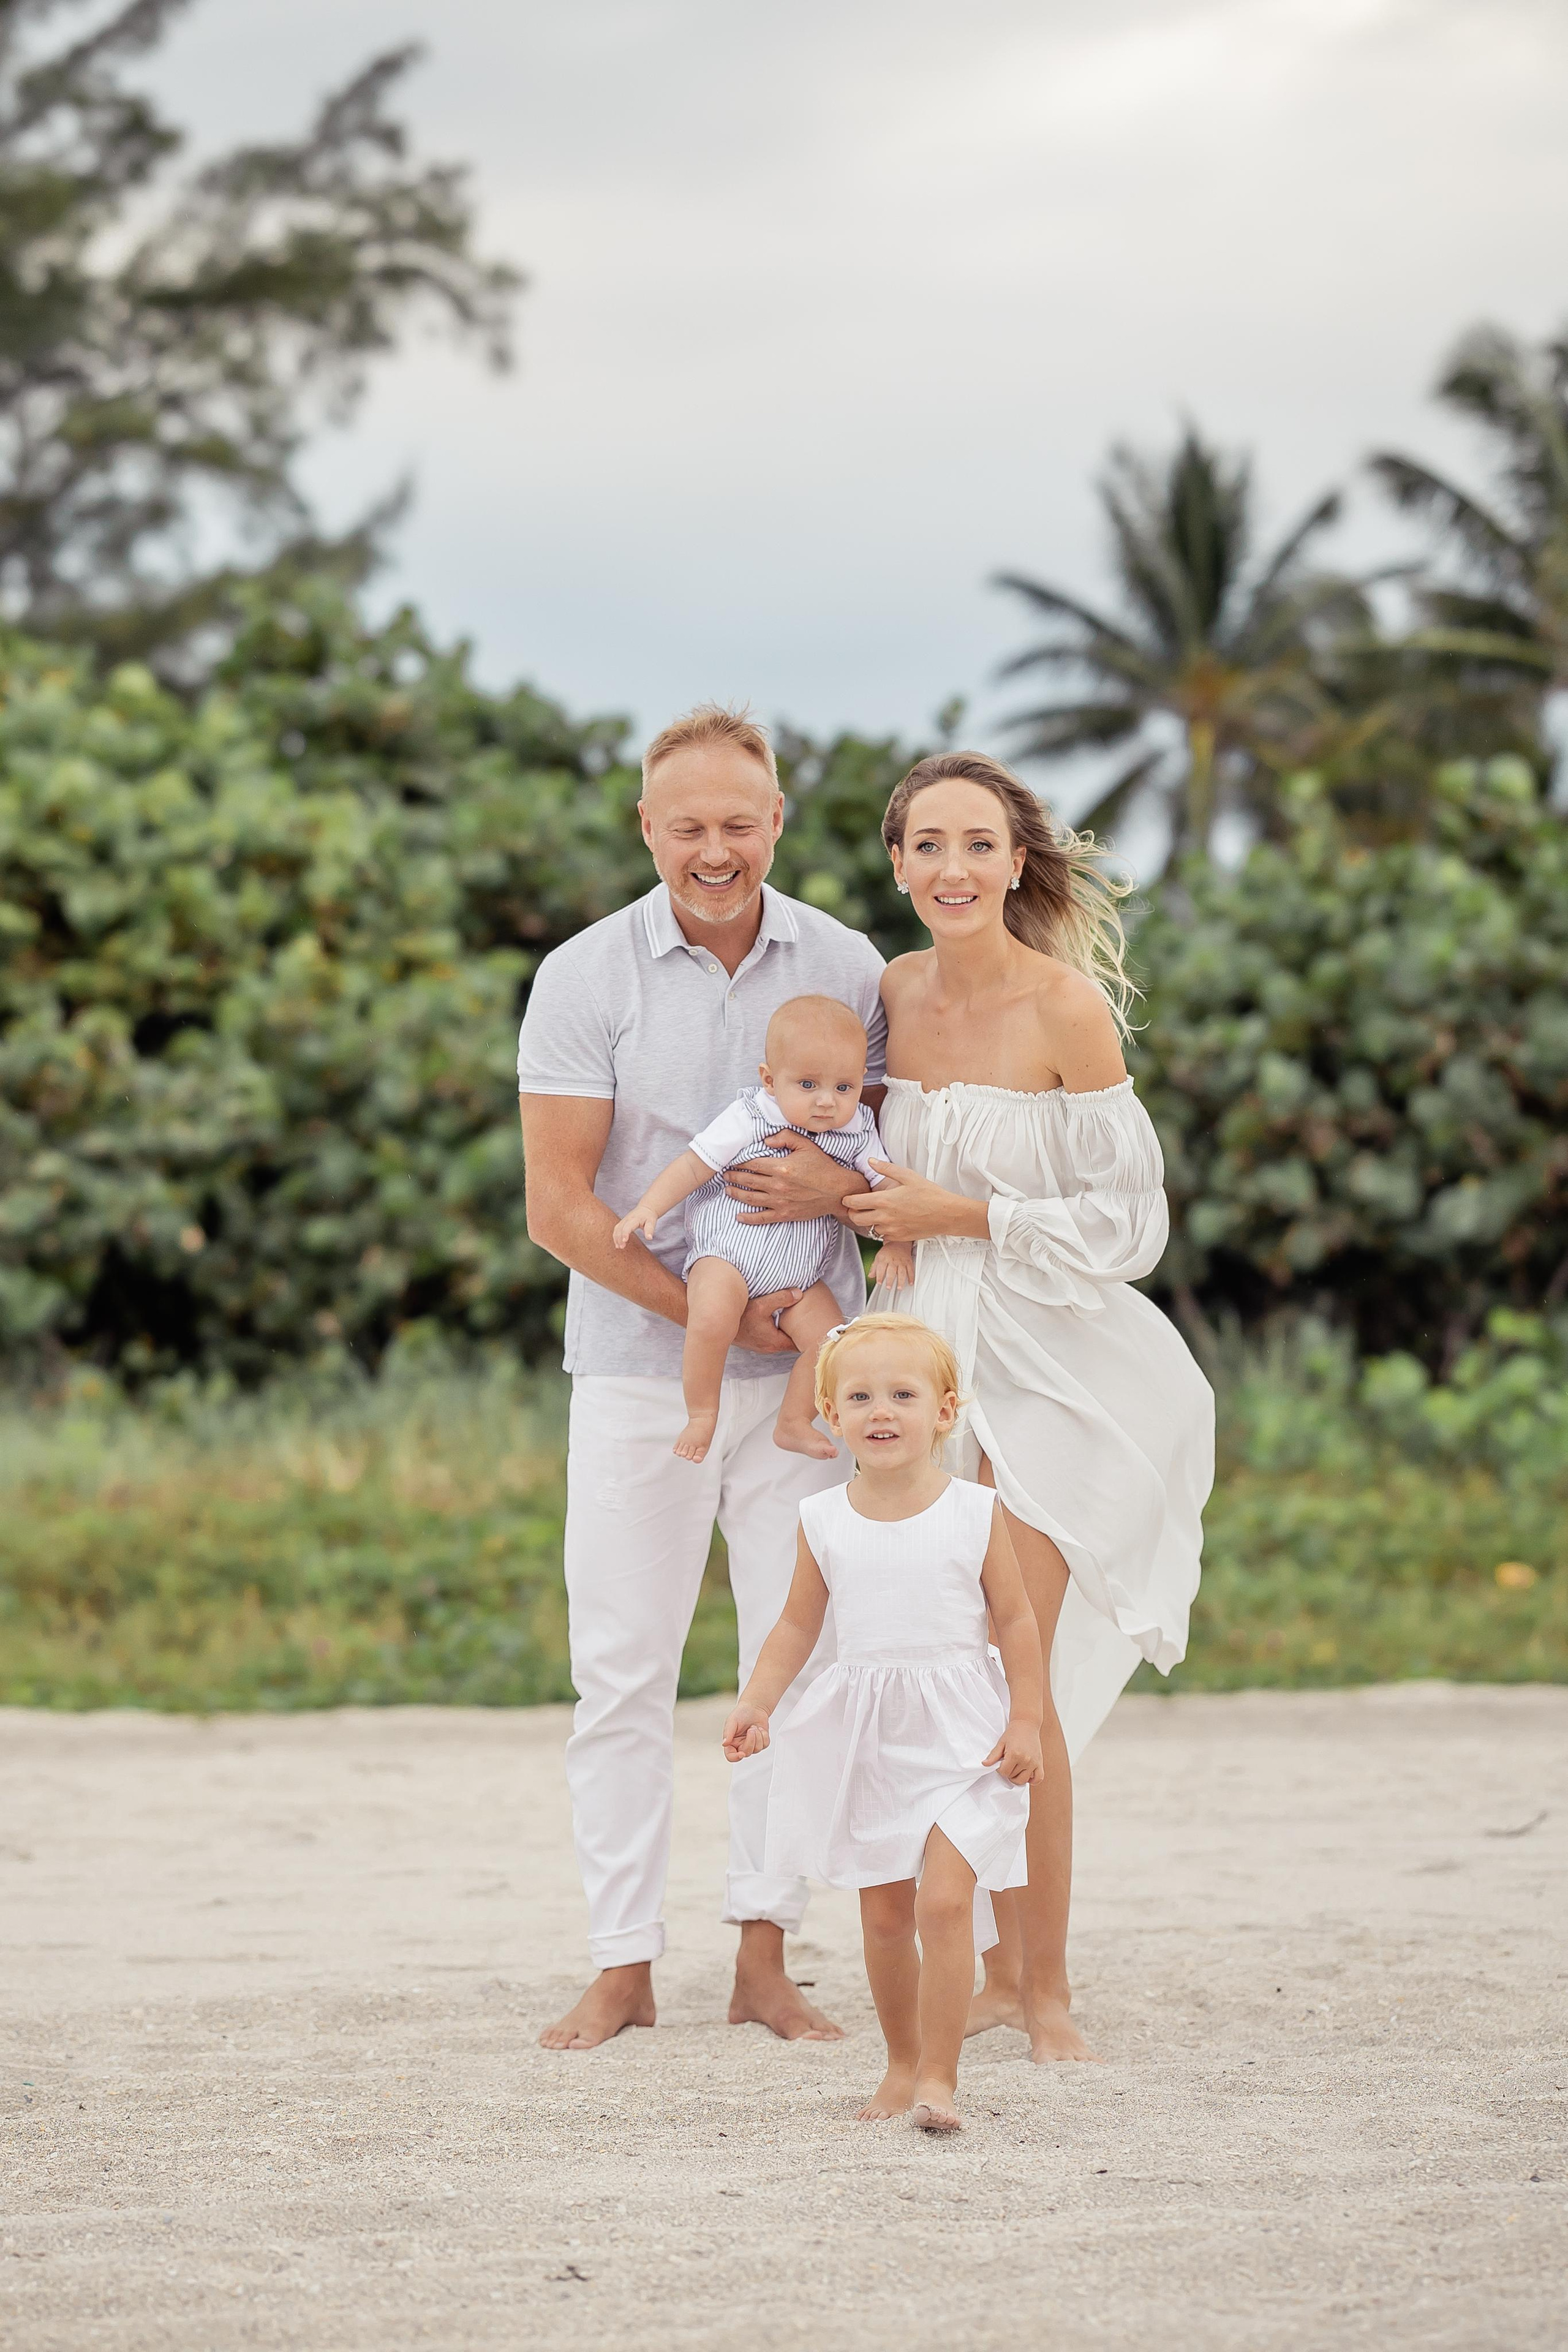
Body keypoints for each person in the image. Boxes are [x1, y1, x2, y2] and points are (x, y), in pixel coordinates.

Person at [828, 748, 1216, 2064]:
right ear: (896, 863)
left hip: (1053, 1369)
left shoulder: (1064, 1010)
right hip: (924, 1359)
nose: (950, 869)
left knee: (1018, 1682)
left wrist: (965, 1214)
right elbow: (855, 1149)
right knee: (949, 1673)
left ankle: (1042, 1991)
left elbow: (1132, 1221)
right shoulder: (884, 995)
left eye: (975, 845)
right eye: (925, 846)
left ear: (1013, 860)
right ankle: (991, 1972)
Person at [518, 703, 887, 2052]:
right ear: (646, 827)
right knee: (619, 1674)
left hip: (807, 1385)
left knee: (790, 1672)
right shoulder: (581, 975)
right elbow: (559, 1208)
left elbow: (886, 1172)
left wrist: (825, 1208)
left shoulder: (851, 968)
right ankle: (620, 1965)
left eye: (740, 822)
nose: (714, 848)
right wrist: (710, 1321)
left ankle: (763, 1958)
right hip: (633, 1375)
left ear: (776, 822)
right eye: (688, 826)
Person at [721, 1314, 1044, 2133]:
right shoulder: (824, 1519)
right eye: (860, 1396)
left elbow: (1016, 1621)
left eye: (903, 1394)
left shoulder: (975, 1510)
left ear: (945, 1410)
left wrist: (1028, 1720)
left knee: (944, 1905)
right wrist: (757, 1701)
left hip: (964, 1737)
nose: (881, 1411)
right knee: (885, 1917)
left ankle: (940, 2076)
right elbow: (796, 1626)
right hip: (870, 1742)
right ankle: (900, 2063)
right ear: (831, 1414)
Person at [612, 995, 914, 1462]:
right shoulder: (751, 1116)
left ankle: (794, 1421)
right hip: (727, 1257)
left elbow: (886, 1186)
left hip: (799, 1280)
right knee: (711, 1317)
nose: (826, 1102)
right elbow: (695, 1165)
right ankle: (702, 1413)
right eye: (808, 1084)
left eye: (844, 1087)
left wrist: (896, 1243)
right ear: (770, 1081)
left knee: (833, 1343)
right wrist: (649, 1206)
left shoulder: (859, 1128)